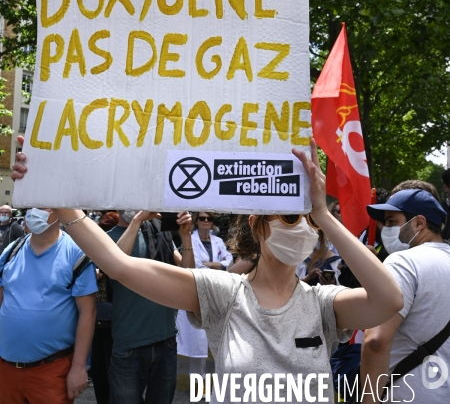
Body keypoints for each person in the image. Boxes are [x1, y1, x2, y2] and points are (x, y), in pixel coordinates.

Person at [12, 140, 403, 403]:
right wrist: (58, 194)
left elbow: (389, 299)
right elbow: (119, 265)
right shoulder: (224, 293)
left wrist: (322, 212)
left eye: (308, 222)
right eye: (289, 216)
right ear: (258, 224)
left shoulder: (324, 304)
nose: (301, 228)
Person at [361, 188, 450, 403]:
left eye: (392, 221)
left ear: (419, 223)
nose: (386, 229)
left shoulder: (403, 262)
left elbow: (376, 342)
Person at [0, 207, 97, 404]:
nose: (35, 211)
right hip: (6, 370)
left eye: (43, 206)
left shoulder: (76, 254)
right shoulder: (11, 251)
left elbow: (88, 312)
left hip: (52, 371)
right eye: (31, 206)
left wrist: (79, 368)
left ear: (59, 212)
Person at [106, 208, 194, 404]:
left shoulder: (159, 232)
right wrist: (138, 220)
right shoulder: (108, 238)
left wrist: (186, 237)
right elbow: (115, 265)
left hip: (165, 341)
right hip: (129, 345)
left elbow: (187, 276)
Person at [177, 211, 233, 379]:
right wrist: (218, 266)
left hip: (218, 291)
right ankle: (198, 385)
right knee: (198, 344)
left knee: (220, 342)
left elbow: (228, 260)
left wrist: (211, 264)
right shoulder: (190, 240)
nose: (206, 221)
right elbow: (194, 266)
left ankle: (221, 384)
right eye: (202, 218)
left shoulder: (218, 241)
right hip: (198, 290)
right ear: (197, 221)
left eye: (210, 218)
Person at [89, 211, 119, 404]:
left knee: (114, 372)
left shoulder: (122, 248)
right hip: (95, 318)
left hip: (116, 320)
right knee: (99, 370)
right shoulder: (91, 247)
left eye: (109, 230)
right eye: (103, 229)